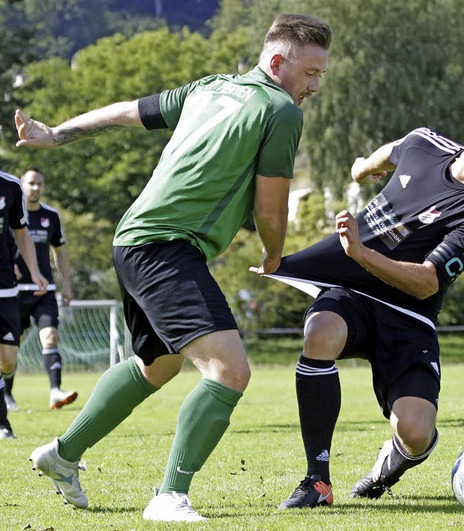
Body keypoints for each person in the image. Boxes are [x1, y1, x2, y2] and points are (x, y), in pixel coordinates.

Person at [14, 13, 332, 522]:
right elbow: (270, 209)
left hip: (134, 237)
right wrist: (274, 255)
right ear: (277, 62)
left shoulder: (212, 87)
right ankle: (168, 497)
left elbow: (127, 112)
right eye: (311, 73)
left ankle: (63, 454)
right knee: (228, 370)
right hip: (166, 245)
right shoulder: (281, 110)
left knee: (157, 366)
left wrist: (56, 135)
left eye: (320, 75)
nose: (315, 86)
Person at [258, 95, 464, 508]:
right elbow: (391, 153)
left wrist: (362, 254)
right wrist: (362, 169)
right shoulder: (424, 143)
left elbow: (427, 284)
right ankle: (316, 482)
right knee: (319, 332)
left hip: (409, 315)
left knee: (415, 431)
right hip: (353, 292)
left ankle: (391, 463)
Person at [3, 167, 77, 412]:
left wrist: (66, 284)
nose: (35, 188)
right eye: (31, 183)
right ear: (22, 184)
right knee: (11, 349)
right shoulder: (9, 207)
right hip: (14, 291)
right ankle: (7, 395)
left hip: (43, 290)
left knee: (50, 336)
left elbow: (60, 252)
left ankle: (55, 391)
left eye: (39, 184)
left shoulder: (51, 216)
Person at [0, 170, 48, 439]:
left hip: (5, 283)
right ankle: (2, 423)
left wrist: (35, 272)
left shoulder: (11, 186)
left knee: (7, 360)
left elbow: (21, 232)